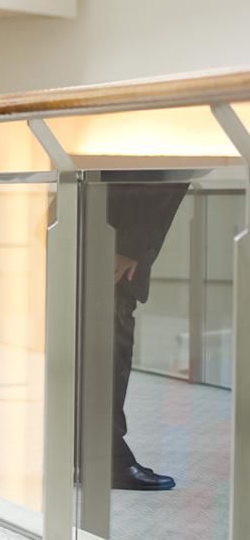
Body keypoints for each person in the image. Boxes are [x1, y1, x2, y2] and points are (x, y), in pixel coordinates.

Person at [103, 181, 189, 491]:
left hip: (107, 217)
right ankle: (106, 457)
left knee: (104, 331)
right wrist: (131, 245)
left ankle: (97, 454)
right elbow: (153, 170)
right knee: (109, 333)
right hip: (114, 225)